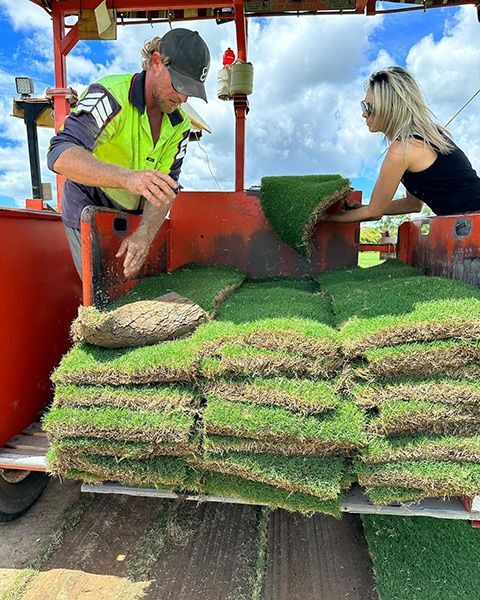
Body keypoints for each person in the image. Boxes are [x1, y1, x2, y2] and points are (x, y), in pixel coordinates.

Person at [48, 28, 210, 279]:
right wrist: (127, 178)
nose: (183, 96)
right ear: (156, 62)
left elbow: (165, 189)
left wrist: (144, 234)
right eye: (179, 85)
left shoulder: (180, 126)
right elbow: (60, 154)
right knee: (100, 299)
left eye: (190, 90)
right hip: (89, 207)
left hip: (132, 216)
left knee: (130, 292)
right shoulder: (112, 95)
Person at [324, 66, 480, 224]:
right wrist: (364, 207)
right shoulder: (427, 138)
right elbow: (412, 204)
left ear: (389, 108)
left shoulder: (403, 150)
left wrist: (324, 218)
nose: (363, 113)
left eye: (368, 107)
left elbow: (374, 213)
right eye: (363, 106)